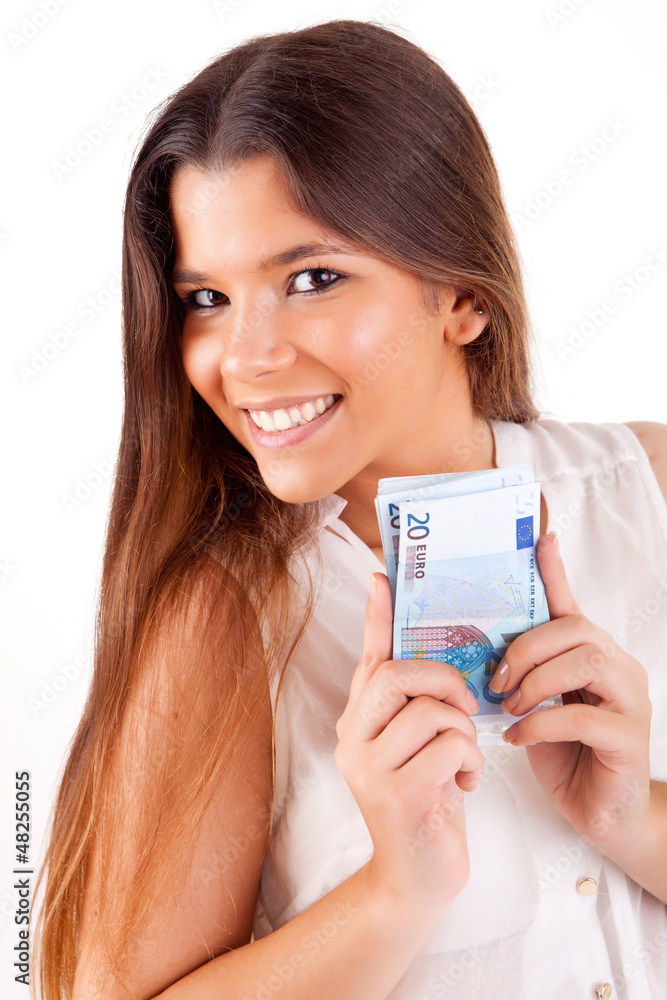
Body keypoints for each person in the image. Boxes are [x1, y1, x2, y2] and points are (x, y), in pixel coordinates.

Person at [31, 17, 667, 1000]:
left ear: (463, 294)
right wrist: (393, 891)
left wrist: (636, 820)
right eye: (206, 298)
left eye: (311, 278)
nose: (244, 358)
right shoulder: (228, 618)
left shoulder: (649, 491)